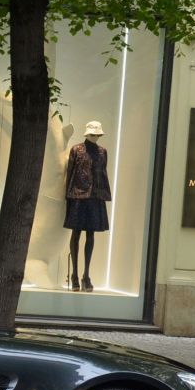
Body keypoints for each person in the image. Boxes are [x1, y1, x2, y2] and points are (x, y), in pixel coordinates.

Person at [63, 120, 112, 291]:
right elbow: (70, 173)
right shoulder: (76, 149)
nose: (95, 136)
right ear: (87, 133)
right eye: (92, 133)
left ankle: (86, 275)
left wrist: (103, 195)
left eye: (97, 134)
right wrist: (68, 197)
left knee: (90, 235)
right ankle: (75, 275)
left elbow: (103, 173)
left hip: (95, 197)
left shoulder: (102, 152)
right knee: (76, 234)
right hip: (78, 196)